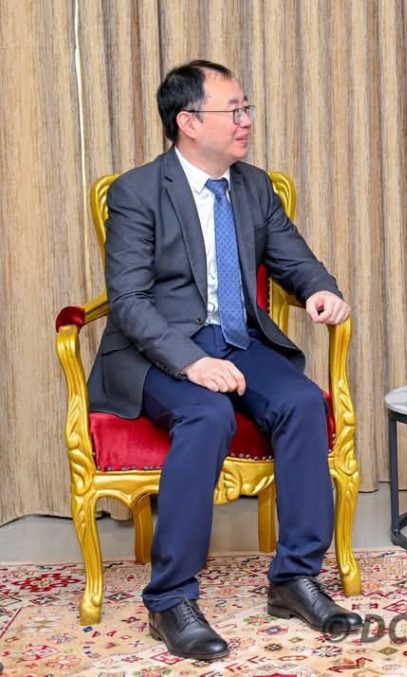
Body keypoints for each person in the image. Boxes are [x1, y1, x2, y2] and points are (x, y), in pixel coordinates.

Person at [87, 60, 362, 660]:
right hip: (158, 351)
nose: (246, 121)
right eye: (233, 110)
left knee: (300, 403)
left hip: (239, 339)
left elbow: (295, 258)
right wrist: (190, 363)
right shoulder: (137, 192)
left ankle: (294, 578)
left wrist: (320, 288)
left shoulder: (253, 186)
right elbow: (128, 302)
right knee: (206, 414)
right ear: (188, 122)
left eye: (246, 108)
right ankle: (170, 599)